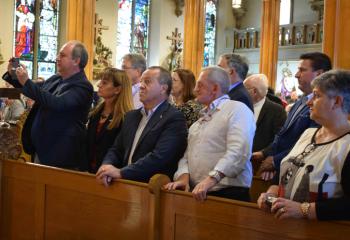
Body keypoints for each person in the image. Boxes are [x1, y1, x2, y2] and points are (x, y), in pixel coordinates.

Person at [258, 70, 350, 221]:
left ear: (337, 102)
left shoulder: (346, 145)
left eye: (317, 96)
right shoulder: (308, 134)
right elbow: (287, 168)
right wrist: (271, 193)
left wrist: (304, 210)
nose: (309, 102)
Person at [164, 66, 256, 202]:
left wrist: (210, 180)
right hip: (199, 192)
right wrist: (183, 178)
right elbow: (186, 155)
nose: (195, 90)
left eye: (200, 85)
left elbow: (239, 151)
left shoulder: (237, 109)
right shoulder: (198, 122)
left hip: (228, 194)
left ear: (214, 88)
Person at [2, 40, 93, 170]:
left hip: (62, 153)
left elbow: (57, 104)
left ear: (76, 61)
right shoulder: (56, 78)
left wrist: (27, 82)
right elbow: (31, 89)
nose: (57, 58)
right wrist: (14, 74)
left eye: (62, 55)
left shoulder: (83, 86)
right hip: (42, 148)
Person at [96, 66, 187, 184]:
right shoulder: (131, 116)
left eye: (147, 82)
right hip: (124, 184)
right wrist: (106, 166)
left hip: (151, 187)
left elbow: (160, 157)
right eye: (141, 81)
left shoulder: (173, 118)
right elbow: (117, 148)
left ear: (163, 88)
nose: (141, 86)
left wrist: (122, 172)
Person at [255, 52, 332, 180]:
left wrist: (275, 160)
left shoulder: (322, 107)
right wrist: (264, 153)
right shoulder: (301, 101)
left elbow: (309, 144)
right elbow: (282, 135)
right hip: (283, 170)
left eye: (302, 70)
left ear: (319, 74)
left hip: (298, 172)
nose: (296, 75)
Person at [86, 68, 133, 173]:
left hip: (109, 174)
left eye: (105, 82)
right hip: (88, 171)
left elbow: (120, 151)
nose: (99, 85)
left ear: (117, 89)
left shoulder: (126, 118)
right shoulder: (95, 113)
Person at [243, 74, 286, 172]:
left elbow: (280, 138)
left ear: (254, 91)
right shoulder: (239, 106)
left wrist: (265, 154)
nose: (242, 92)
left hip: (260, 165)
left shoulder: (276, 110)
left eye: (244, 89)